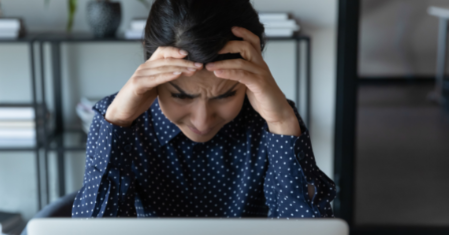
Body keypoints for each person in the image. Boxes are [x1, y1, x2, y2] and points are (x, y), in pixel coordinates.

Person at [72, 0, 336, 218]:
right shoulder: (121, 122)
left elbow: (307, 233)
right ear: (152, 66)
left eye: (226, 95)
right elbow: (92, 234)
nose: (202, 120)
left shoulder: (273, 122)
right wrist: (116, 123)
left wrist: (281, 123)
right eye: (181, 96)